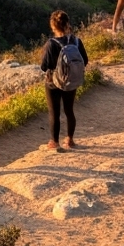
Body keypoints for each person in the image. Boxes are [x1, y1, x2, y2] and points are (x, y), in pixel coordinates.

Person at [40, 10, 88, 151]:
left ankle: (54, 142)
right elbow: (85, 60)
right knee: (69, 110)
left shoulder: (51, 44)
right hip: (71, 80)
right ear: (67, 24)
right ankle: (70, 140)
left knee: (54, 112)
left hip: (53, 82)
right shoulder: (76, 41)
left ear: (53, 26)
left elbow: (44, 66)